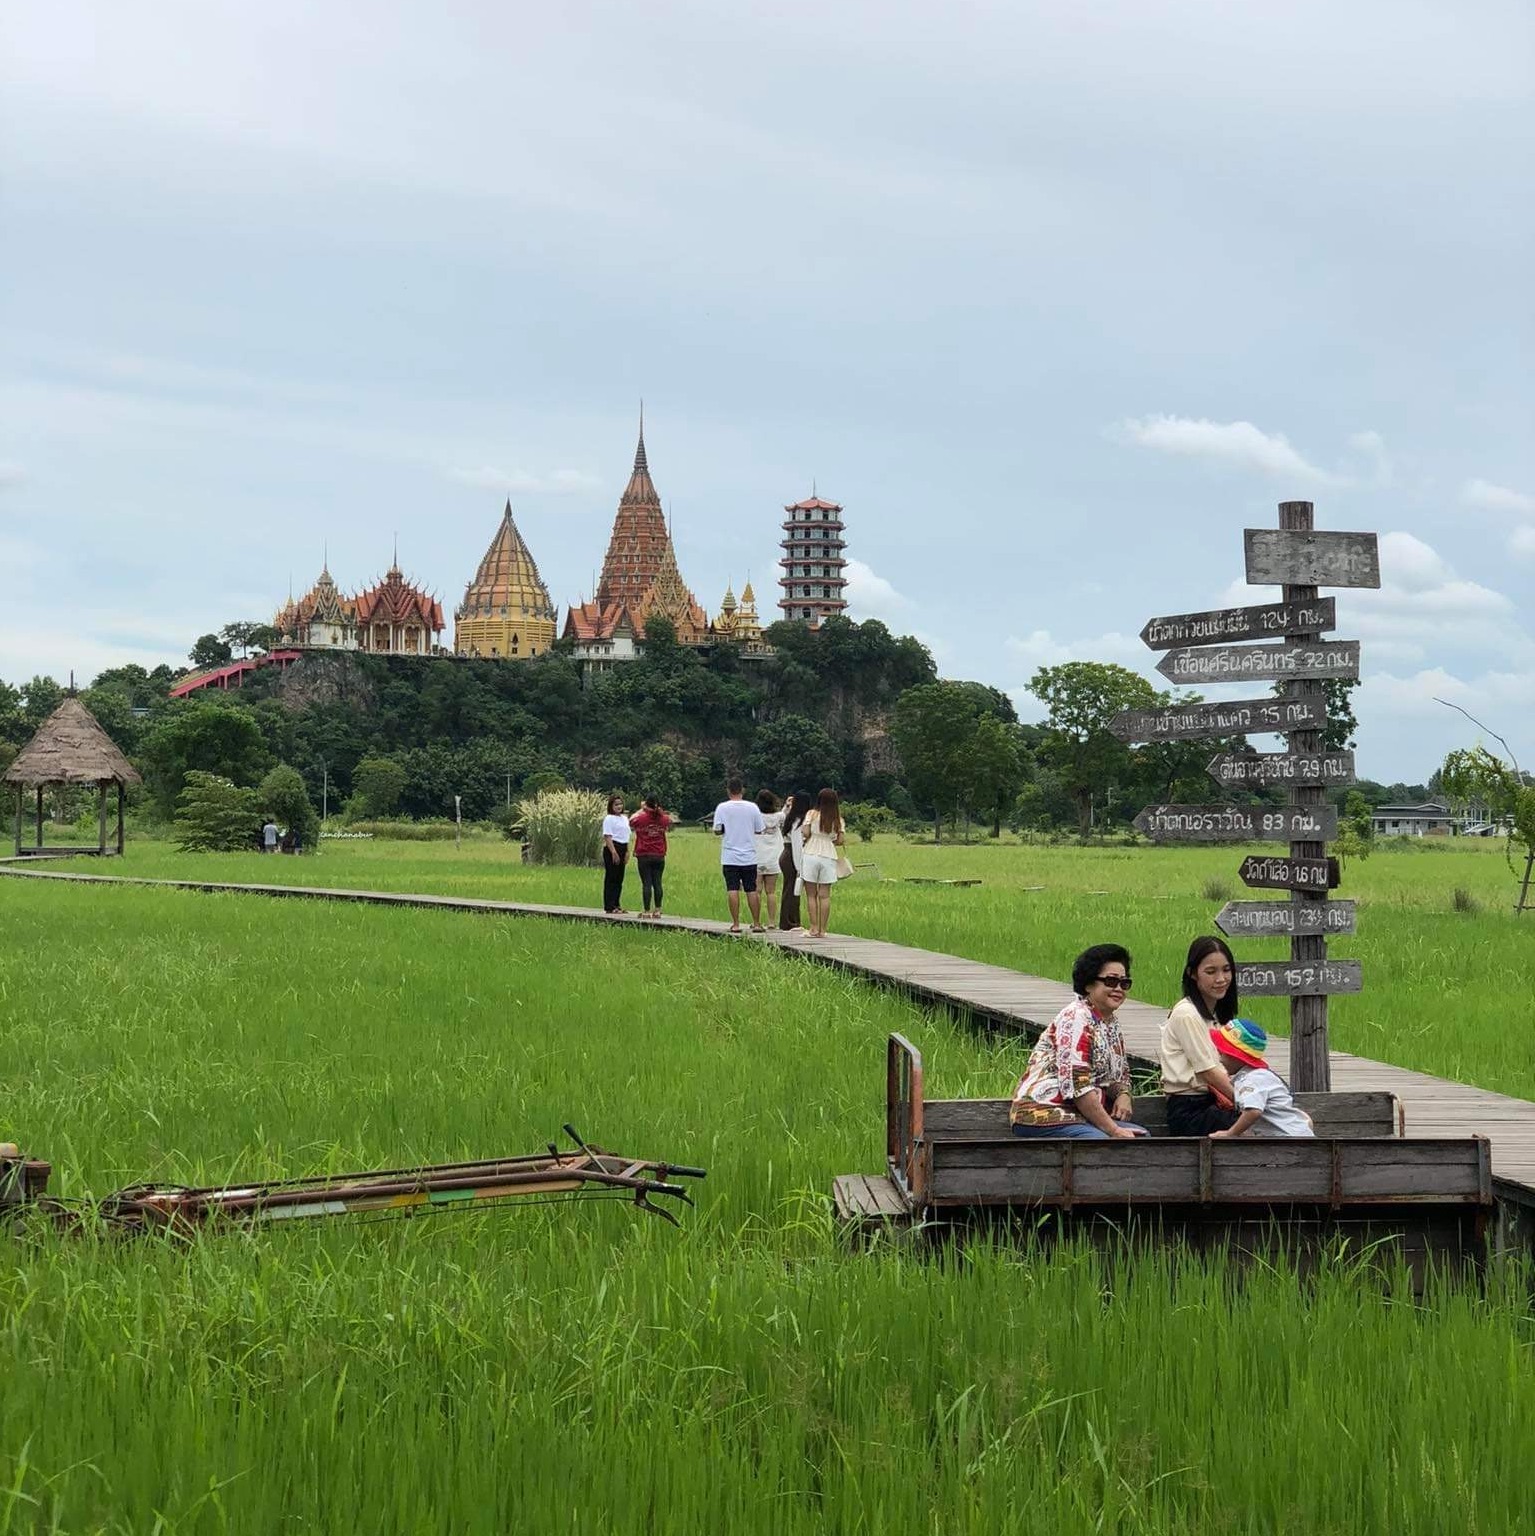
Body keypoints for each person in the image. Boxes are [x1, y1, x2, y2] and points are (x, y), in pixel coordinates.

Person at [1011, 944, 1148, 1139]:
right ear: (1088, 984)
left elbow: (1120, 1075)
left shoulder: (1110, 1023)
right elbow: (1079, 1087)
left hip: (1080, 1115)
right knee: (1101, 1144)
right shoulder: (1076, 1018)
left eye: (1124, 983)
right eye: (1110, 981)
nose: (1118, 988)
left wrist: (1123, 1094)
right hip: (1044, 1112)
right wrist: (1115, 1131)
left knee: (1143, 1137)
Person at [1160, 936, 1243, 1136]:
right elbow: (1209, 1072)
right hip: (1192, 1110)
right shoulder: (1187, 1014)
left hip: (1214, 1103)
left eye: (1226, 970)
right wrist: (1247, 1103)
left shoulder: (1215, 1016)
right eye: (1210, 972)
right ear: (1192, 974)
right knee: (1263, 1126)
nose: (1221, 979)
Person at [1208, 1019, 1315, 1138]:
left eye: (1223, 1054)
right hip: (1291, 1135)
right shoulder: (1259, 1075)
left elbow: (1253, 1111)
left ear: (1237, 1056)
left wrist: (1231, 1133)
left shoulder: (1251, 1079)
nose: (1220, 1059)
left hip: (1288, 1140)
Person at [712, 778, 766, 932]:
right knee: (751, 889)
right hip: (749, 855)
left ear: (728, 790)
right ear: (743, 790)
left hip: (730, 856)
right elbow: (759, 829)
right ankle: (756, 923)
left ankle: (735, 924)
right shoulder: (753, 807)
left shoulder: (722, 808)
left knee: (732, 889)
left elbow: (717, 830)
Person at [798, 788, 845, 939]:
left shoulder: (811, 814)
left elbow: (805, 833)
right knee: (825, 895)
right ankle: (823, 930)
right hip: (828, 854)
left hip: (811, 851)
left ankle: (813, 928)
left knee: (811, 894)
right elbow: (840, 840)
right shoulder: (838, 819)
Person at [628, 794, 672, 919]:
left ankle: (647, 911)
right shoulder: (663, 818)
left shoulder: (641, 818)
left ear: (646, 804)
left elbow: (631, 820)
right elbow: (669, 822)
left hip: (644, 853)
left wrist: (642, 809)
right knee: (657, 882)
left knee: (646, 883)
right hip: (659, 854)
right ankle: (657, 910)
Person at [778, 790, 810, 933]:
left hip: (786, 854)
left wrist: (786, 805)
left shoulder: (790, 818)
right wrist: (799, 868)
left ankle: (789, 921)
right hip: (792, 856)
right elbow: (797, 846)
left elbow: (783, 814)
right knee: (792, 890)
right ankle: (790, 922)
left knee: (789, 889)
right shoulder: (798, 822)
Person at [753, 790, 785, 927]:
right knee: (771, 892)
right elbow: (785, 814)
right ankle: (772, 922)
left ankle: (757, 921)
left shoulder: (756, 816)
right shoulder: (779, 816)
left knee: (757, 891)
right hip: (774, 857)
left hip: (757, 856)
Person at [600, 793, 631, 915]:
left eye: (620, 804)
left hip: (623, 847)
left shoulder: (624, 818)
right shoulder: (609, 818)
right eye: (616, 804)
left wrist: (627, 851)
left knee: (619, 878)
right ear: (611, 806)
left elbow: (627, 835)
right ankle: (609, 905)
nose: (619, 806)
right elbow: (607, 836)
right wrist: (613, 852)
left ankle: (617, 904)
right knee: (611, 877)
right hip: (613, 847)